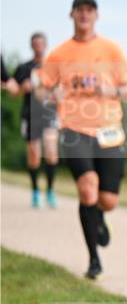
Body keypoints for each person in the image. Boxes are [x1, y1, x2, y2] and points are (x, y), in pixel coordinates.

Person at [36, 0, 127, 280]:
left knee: (107, 200)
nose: (84, 15)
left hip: (109, 131)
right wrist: (51, 94)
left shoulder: (111, 50)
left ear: (96, 16)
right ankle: (94, 260)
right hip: (74, 129)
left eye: (89, 10)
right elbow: (42, 89)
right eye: (79, 10)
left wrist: (113, 92)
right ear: (72, 15)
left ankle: (100, 216)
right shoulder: (59, 54)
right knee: (87, 189)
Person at [12, 32, 60, 208]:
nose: (38, 46)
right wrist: (21, 88)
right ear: (31, 46)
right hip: (30, 115)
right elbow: (13, 91)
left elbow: (60, 93)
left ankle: (50, 191)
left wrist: (48, 94)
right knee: (34, 156)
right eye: (35, 44)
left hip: (49, 115)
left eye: (41, 43)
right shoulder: (24, 68)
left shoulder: (53, 68)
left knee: (51, 152)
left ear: (45, 45)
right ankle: (34, 192)